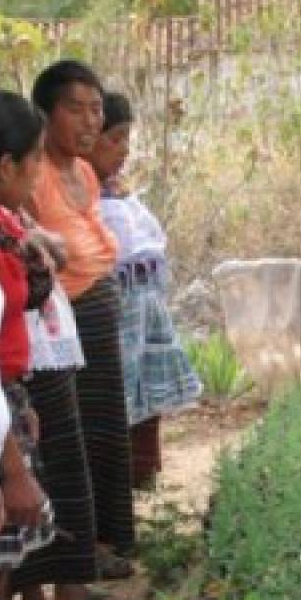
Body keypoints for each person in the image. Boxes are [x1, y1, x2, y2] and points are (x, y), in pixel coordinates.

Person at [17, 61, 136, 600]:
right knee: (58, 453)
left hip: (86, 313)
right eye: (77, 108)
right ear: (47, 114)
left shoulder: (84, 174)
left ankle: (81, 570)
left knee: (97, 444)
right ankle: (48, 593)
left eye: (97, 108)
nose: (91, 121)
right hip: (49, 329)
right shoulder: (28, 179)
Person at [86, 93, 201, 489]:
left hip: (143, 310)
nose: (123, 151)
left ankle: (141, 477)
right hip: (114, 314)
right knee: (118, 395)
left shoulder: (117, 190)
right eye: (113, 140)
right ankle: (118, 487)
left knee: (143, 393)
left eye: (126, 140)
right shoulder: (82, 197)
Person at [0, 92, 61, 600]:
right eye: (33, 161)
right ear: (5, 166)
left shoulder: (5, 228)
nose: (39, 175)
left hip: (7, 403)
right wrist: (10, 463)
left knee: (3, 552)